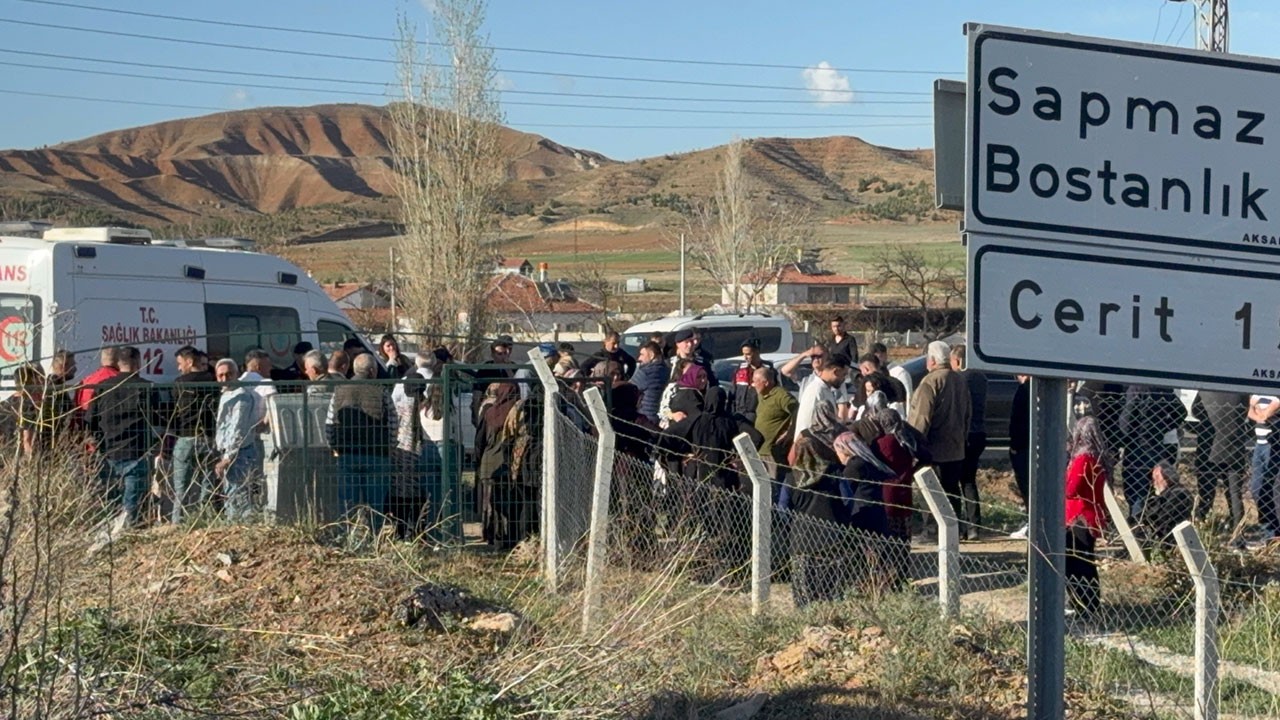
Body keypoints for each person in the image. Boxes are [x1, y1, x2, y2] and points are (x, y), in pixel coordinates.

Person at [87, 346, 164, 525]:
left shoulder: (102, 388)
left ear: (118, 363)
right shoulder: (146, 387)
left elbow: (90, 419)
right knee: (132, 507)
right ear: (138, 363)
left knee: (110, 505)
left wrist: (98, 441)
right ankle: (127, 536)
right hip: (136, 452)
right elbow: (157, 417)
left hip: (108, 452)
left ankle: (109, 539)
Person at [908, 340, 973, 539]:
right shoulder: (960, 380)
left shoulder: (930, 382)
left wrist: (914, 447)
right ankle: (955, 531)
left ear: (933, 360)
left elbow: (921, 419)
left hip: (934, 451)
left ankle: (932, 531)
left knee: (931, 495)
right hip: (956, 449)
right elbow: (967, 414)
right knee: (952, 493)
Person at [325, 353, 397, 529]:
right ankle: (374, 542)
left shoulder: (339, 390)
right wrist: (390, 446)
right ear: (372, 371)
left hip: (347, 454)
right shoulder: (381, 390)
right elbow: (393, 422)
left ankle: (346, 541)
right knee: (376, 506)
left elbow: (329, 423)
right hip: (376, 454)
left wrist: (334, 447)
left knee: (347, 505)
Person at [1065, 415, 1110, 617]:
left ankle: (1084, 605)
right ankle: (1089, 604)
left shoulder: (1083, 459)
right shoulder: (1099, 458)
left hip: (1079, 517)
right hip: (1091, 514)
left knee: (1078, 563)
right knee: (1086, 562)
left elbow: (1070, 489)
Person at [1118, 385, 1184, 522]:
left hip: (1136, 446)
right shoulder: (1164, 390)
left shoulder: (1136, 389)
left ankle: (1136, 527)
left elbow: (1126, 422)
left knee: (1135, 490)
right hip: (1157, 445)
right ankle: (1149, 522)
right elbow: (1181, 412)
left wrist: (1124, 437)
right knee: (1152, 489)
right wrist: (1163, 426)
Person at [170, 345, 218, 523]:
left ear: (189, 362)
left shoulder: (179, 383)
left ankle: (178, 521)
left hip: (185, 437)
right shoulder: (212, 381)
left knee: (181, 485)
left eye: (180, 363)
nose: (179, 367)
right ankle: (205, 518)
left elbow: (175, 412)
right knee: (207, 481)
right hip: (208, 436)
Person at [474, 381, 522, 548]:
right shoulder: (516, 413)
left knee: (490, 502)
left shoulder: (489, 412)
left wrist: (478, 461)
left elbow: (479, 439)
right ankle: (508, 536)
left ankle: (491, 535)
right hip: (509, 464)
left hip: (489, 462)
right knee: (509, 501)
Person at [1191, 391, 1249, 526]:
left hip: (1210, 446)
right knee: (1234, 493)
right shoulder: (1241, 390)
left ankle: (1201, 522)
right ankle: (1237, 533)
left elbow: (1196, 410)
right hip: (1234, 444)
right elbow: (1245, 411)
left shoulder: (1206, 389)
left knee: (1206, 491)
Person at [213, 359, 261, 521]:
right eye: (221, 375)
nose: (225, 379)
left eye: (229, 374)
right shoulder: (227, 394)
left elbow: (237, 430)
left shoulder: (241, 397)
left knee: (238, 495)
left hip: (239, 453)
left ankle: (241, 528)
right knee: (232, 493)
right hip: (230, 452)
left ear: (236, 374)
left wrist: (227, 458)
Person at [950, 344, 987, 541]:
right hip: (980, 432)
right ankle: (974, 526)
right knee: (969, 481)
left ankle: (958, 525)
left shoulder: (960, 380)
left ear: (958, 361)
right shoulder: (981, 377)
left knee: (957, 480)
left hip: (963, 434)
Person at [753, 366, 798, 485]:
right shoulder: (761, 395)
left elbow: (797, 410)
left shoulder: (780, 395)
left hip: (772, 452)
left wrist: (789, 433)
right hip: (760, 449)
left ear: (766, 382)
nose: (753, 385)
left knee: (773, 485)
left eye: (756, 381)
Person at [1136, 460, 1194, 550]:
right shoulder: (1166, 494)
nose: (1153, 483)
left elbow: (1163, 521)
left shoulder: (1178, 494)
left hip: (1171, 541)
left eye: (1155, 479)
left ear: (1166, 478)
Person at [794, 352, 851, 442]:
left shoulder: (826, 389)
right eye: (843, 374)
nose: (844, 379)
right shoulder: (816, 390)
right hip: (809, 447)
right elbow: (807, 425)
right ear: (835, 371)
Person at [1247, 392, 1280, 547]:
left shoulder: (1275, 391)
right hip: (1259, 444)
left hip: (1273, 444)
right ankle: (1268, 529)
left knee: (1272, 489)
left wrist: (1258, 410)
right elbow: (1249, 412)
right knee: (1256, 488)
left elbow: (1265, 415)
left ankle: (1274, 533)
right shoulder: (1256, 391)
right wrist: (1259, 413)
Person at [1008, 375, 1032, 540]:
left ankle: (1033, 523)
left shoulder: (1026, 390)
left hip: (1023, 447)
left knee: (1027, 486)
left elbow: (1018, 421)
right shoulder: (1035, 389)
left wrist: (1015, 446)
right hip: (1030, 445)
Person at [730, 338, 772, 424]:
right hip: (739, 414)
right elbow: (733, 393)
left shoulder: (768, 370)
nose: (745, 357)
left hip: (758, 415)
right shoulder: (739, 369)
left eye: (748, 354)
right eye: (743, 354)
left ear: (757, 352)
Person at [75, 347, 120, 417]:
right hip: (113, 421)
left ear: (101, 360)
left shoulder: (86, 381)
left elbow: (77, 405)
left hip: (87, 422)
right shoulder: (121, 380)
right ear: (118, 360)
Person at [630, 341, 667, 426]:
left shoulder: (646, 373)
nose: (639, 358)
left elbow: (628, 389)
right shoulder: (667, 370)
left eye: (642, 354)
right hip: (662, 419)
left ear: (651, 355)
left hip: (645, 418)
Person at [870, 342, 912, 416]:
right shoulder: (873, 374)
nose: (878, 361)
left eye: (880, 356)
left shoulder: (899, 372)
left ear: (885, 355)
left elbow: (908, 397)